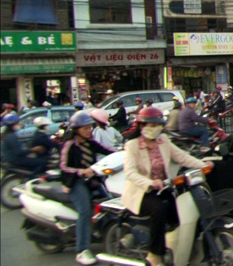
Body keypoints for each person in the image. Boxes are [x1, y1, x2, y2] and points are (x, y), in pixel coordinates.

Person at [121, 107, 212, 266]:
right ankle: (154, 254)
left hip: (164, 187)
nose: (154, 129)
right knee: (159, 209)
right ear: (141, 126)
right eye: (150, 125)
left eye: (157, 125)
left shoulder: (163, 140)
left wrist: (203, 165)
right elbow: (130, 173)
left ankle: (177, 247)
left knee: (185, 213)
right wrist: (149, 182)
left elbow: (182, 157)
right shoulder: (132, 145)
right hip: (142, 192)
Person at [59, 111, 118, 265]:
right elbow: (63, 167)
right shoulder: (69, 145)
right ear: (76, 129)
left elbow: (107, 150)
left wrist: (127, 151)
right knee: (85, 210)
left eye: (89, 127)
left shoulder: (91, 142)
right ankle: (82, 250)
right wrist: (81, 171)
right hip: (75, 181)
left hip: (92, 179)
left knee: (112, 201)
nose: (88, 130)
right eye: (85, 128)